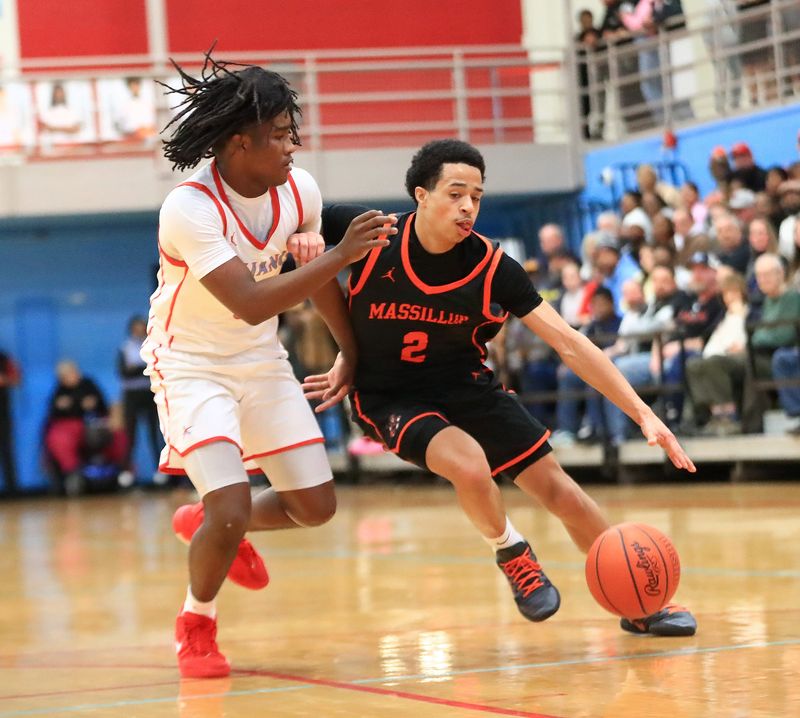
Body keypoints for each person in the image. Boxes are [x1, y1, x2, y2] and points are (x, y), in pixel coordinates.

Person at [308, 139, 698, 638]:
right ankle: (512, 552)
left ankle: (641, 603)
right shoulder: (368, 231)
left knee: (565, 495)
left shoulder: (493, 268)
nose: (468, 205)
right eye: (455, 193)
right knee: (468, 464)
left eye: (476, 195)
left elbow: (569, 343)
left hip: (467, 387)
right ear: (420, 194)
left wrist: (643, 413)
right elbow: (290, 221)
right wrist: (309, 252)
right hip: (390, 395)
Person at [142, 54, 394, 679]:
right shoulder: (190, 208)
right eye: (279, 134)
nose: (292, 145)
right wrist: (338, 253)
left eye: (291, 132)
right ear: (238, 141)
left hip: (260, 360)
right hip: (190, 362)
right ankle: (196, 624)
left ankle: (207, 523)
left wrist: (350, 349)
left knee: (315, 505)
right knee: (231, 506)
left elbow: (312, 286)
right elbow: (252, 301)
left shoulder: (299, 190)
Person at [44, 360, 127, 495]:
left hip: (95, 424)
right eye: (67, 375)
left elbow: (102, 405)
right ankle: (73, 475)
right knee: (59, 439)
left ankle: (123, 471)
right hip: (70, 427)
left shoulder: (88, 384)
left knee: (118, 432)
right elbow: (55, 412)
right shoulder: (59, 390)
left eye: (73, 372)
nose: (73, 376)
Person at [117, 315, 163, 487]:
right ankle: (126, 473)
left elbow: (155, 368)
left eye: (141, 327)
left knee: (154, 432)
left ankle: (161, 473)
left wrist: (136, 369)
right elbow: (123, 372)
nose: (139, 330)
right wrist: (142, 368)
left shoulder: (152, 345)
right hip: (131, 396)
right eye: (135, 327)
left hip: (149, 393)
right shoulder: (125, 348)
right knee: (130, 434)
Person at [0, 350, 20, 496]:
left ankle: (12, 491)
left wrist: (4, 380)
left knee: (7, 450)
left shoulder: (4, 358)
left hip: (2, 413)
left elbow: (16, 379)